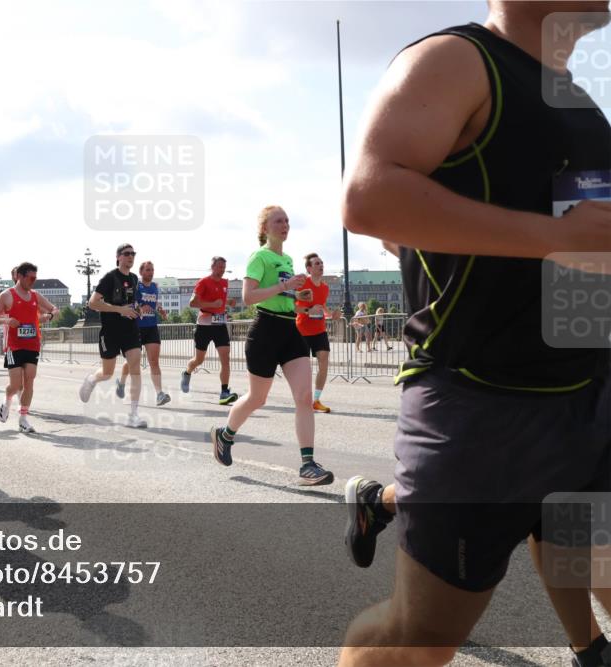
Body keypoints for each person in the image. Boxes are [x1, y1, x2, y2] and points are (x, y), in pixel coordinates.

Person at [337, 4, 611, 666]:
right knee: (418, 640)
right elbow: (368, 199)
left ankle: (588, 648)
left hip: (587, 398)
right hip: (485, 404)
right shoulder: (457, 60)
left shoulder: (576, 100)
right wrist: (552, 240)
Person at [209, 206, 334, 485]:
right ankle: (225, 434)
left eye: (288, 220)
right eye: (279, 220)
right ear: (265, 227)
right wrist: (284, 286)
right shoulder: (259, 256)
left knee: (303, 397)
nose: (285, 224)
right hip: (264, 330)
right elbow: (249, 297)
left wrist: (296, 294)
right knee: (257, 398)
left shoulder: (287, 259)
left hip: (290, 329)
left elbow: (284, 294)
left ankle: (307, 465)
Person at [78, 243, 147, 429]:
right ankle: (92, 379)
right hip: (110, 331)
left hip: (130, 330)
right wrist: (119, 310)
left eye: (133, 253)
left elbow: (130, 303)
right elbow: (92, 303)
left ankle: (133, 414)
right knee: (107, 373)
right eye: (127, 254)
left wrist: (137, 309)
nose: (131, 257)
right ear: (118, 257)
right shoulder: (110, 278)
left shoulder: (134, 278)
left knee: (135, 366)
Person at [0, 261, 58, 433]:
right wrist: (7, 320)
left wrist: (48, 316)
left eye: (35, 278)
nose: (33, 281)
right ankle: (7, 401)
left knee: (29, 381)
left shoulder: (35, 295)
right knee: (15, 385)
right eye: (30, 278)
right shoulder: (7, 295)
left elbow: (54, 309)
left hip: (33, 344)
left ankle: (23, 418)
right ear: (19, 276)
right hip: (14, 346)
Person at [180, 257, 238, 405]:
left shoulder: (225, 283)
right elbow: (192, 303)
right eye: (219, 267)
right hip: (204, 325)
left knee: (225, 358)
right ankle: (187, 372)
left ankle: (224, 392)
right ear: (212, 267)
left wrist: (228, 302)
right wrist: (212, 304)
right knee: (199, 359)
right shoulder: (203, 282)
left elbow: (220, 301)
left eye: (224, 267)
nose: (222, 270)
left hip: (220, 324)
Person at [116, 260, 170, 406]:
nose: (150, 272)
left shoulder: (154, 287)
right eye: (147, 270)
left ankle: (159, 394)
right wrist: (140, 307)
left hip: (152, 326)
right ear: (141, 272)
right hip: (136, 327)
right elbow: (128, 302)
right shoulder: (136, 286)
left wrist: (160, 309)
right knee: (133, 362)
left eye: (152, 270)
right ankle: (121, 382)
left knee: (154, 361)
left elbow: (154, 302)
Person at [295, 253, 342, 413]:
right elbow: (291, 306)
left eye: (322, 263)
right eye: (317, 264)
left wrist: (332, 315)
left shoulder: (325, 287)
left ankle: (316, 400)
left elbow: (322, 308)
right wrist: (308, 310)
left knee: (324, 361)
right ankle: (303, 399)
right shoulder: (302, 283)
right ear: (309, 268)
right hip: (302, 330)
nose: (321, 266)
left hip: (320, 330)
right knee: (304, 368)